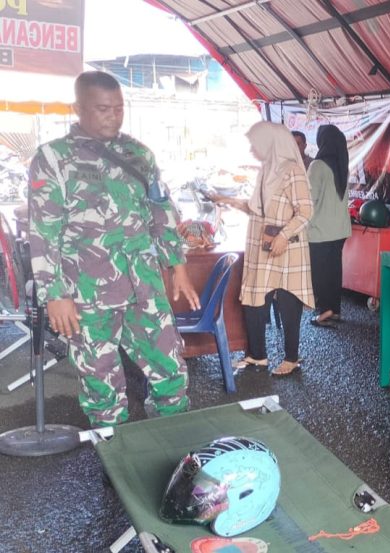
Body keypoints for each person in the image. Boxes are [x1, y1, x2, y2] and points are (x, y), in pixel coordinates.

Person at [27, 71, 200, 427]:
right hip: (87, 294)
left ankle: (173, 443)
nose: (113, 116)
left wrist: (177, 264)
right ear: (79, 109)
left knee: (171, 368)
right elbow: (44, 232)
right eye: (103, 109)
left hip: (144, 286)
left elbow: (160, 209)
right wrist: (54, 294)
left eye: (119, 109)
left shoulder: (138, 154)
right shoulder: (54, 158)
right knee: (101, 382)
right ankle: (114, 459)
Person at [209, 122, 314, 376]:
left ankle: (291, 357)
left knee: (289, 301)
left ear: (271, 144)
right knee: (254, 299)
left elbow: (306, 211)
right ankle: (257, 355)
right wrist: (228, 201)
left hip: (286, 248)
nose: (253, 150)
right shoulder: (266, 171)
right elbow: (258, 208)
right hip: (261, 245)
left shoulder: (292, 172)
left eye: (256, 144)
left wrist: (284, 236)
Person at [307, 125, 351, 327]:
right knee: (334, 270)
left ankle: (324, 311)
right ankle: (335, 310)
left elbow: (309, 199)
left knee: (319, 272)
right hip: (340, 230)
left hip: (319, 230)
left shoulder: (317, 165)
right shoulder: (342, 166)